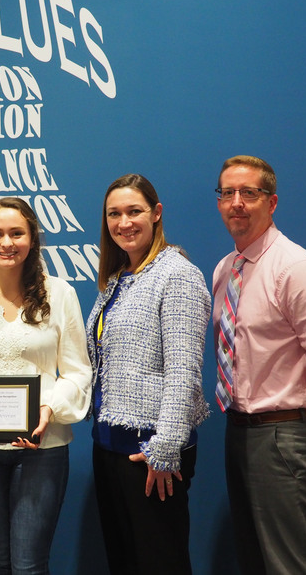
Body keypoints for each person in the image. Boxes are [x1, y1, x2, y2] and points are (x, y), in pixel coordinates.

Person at [213, 155, 306, 574]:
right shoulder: (226, 269)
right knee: (255, 561)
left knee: (292, 566)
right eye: (227, 193)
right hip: (238, 431)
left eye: (249, 193)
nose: (236, 202)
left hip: (285, 434)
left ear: (272, 203)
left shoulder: (294, 268)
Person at [0, 197, 92, 575]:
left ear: (32, 239)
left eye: (16, 233)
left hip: (41, 446)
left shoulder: (60, 294)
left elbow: (78, 370)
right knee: (2, 559)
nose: (6, 243)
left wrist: (49, 409)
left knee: (27, 564)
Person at [85, 174, 210, 575]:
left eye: (134, 211)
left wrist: (165, 448)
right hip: (109, 447)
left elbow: (184, 371)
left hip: (152, 453)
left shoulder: (177, 274)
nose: (124, 222)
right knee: (125, 563)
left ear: (156, 214)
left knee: (161, 564)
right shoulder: (119, 277)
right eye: (114, 214)